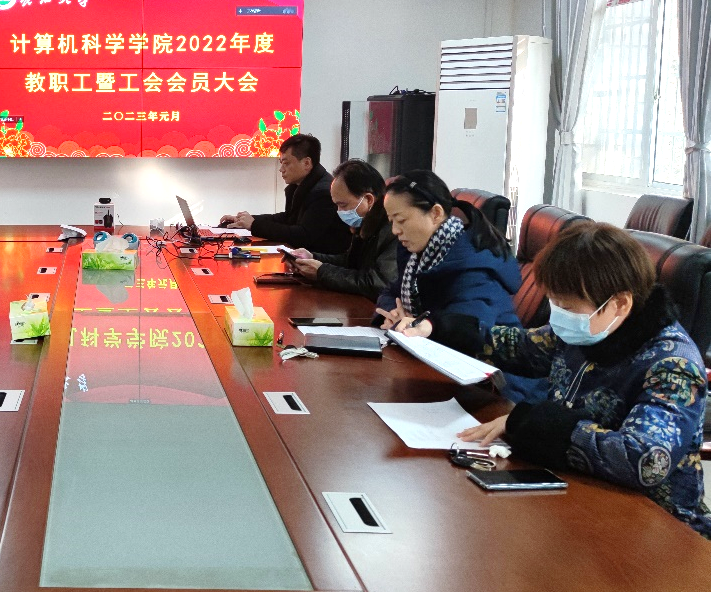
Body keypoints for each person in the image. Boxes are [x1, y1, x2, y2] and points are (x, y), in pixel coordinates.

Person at [458, 221, 711, 539]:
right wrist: (446, 329)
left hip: (657, 528)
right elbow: (522, 348)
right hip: (576, 497)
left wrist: (542, 424)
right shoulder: (589, 330)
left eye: (568, 306)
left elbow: (646, 460)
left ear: (620, 304)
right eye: (554, 302)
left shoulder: (673, 365)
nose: (559, 315)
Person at [375, 170, 521, 354]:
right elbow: (389, 293)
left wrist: (422, 324)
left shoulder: (471, 263)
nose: (395, 230)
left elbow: (467, 327)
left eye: (401, 220)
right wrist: (394, 313)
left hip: (489, 367)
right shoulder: (418, 256)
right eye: (392, 222)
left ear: (436, 213)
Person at [219, 133, 351, 254]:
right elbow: (288, 218)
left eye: (286, 163)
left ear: (306, 163)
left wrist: (254, 225)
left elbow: (303, 236)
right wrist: (245, 220)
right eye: (281, 163)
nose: (281, 169)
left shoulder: (323, 193)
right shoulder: (299, 186)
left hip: (322, 262)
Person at [287, 159, 398, 301]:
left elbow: (378, 283)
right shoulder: (367, 223)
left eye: (343, 205)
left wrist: (321, 272)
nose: (339, 211)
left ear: (368, 199)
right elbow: (350, 261)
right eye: (337, 206)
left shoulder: (394, 229)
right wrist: (312, 257)